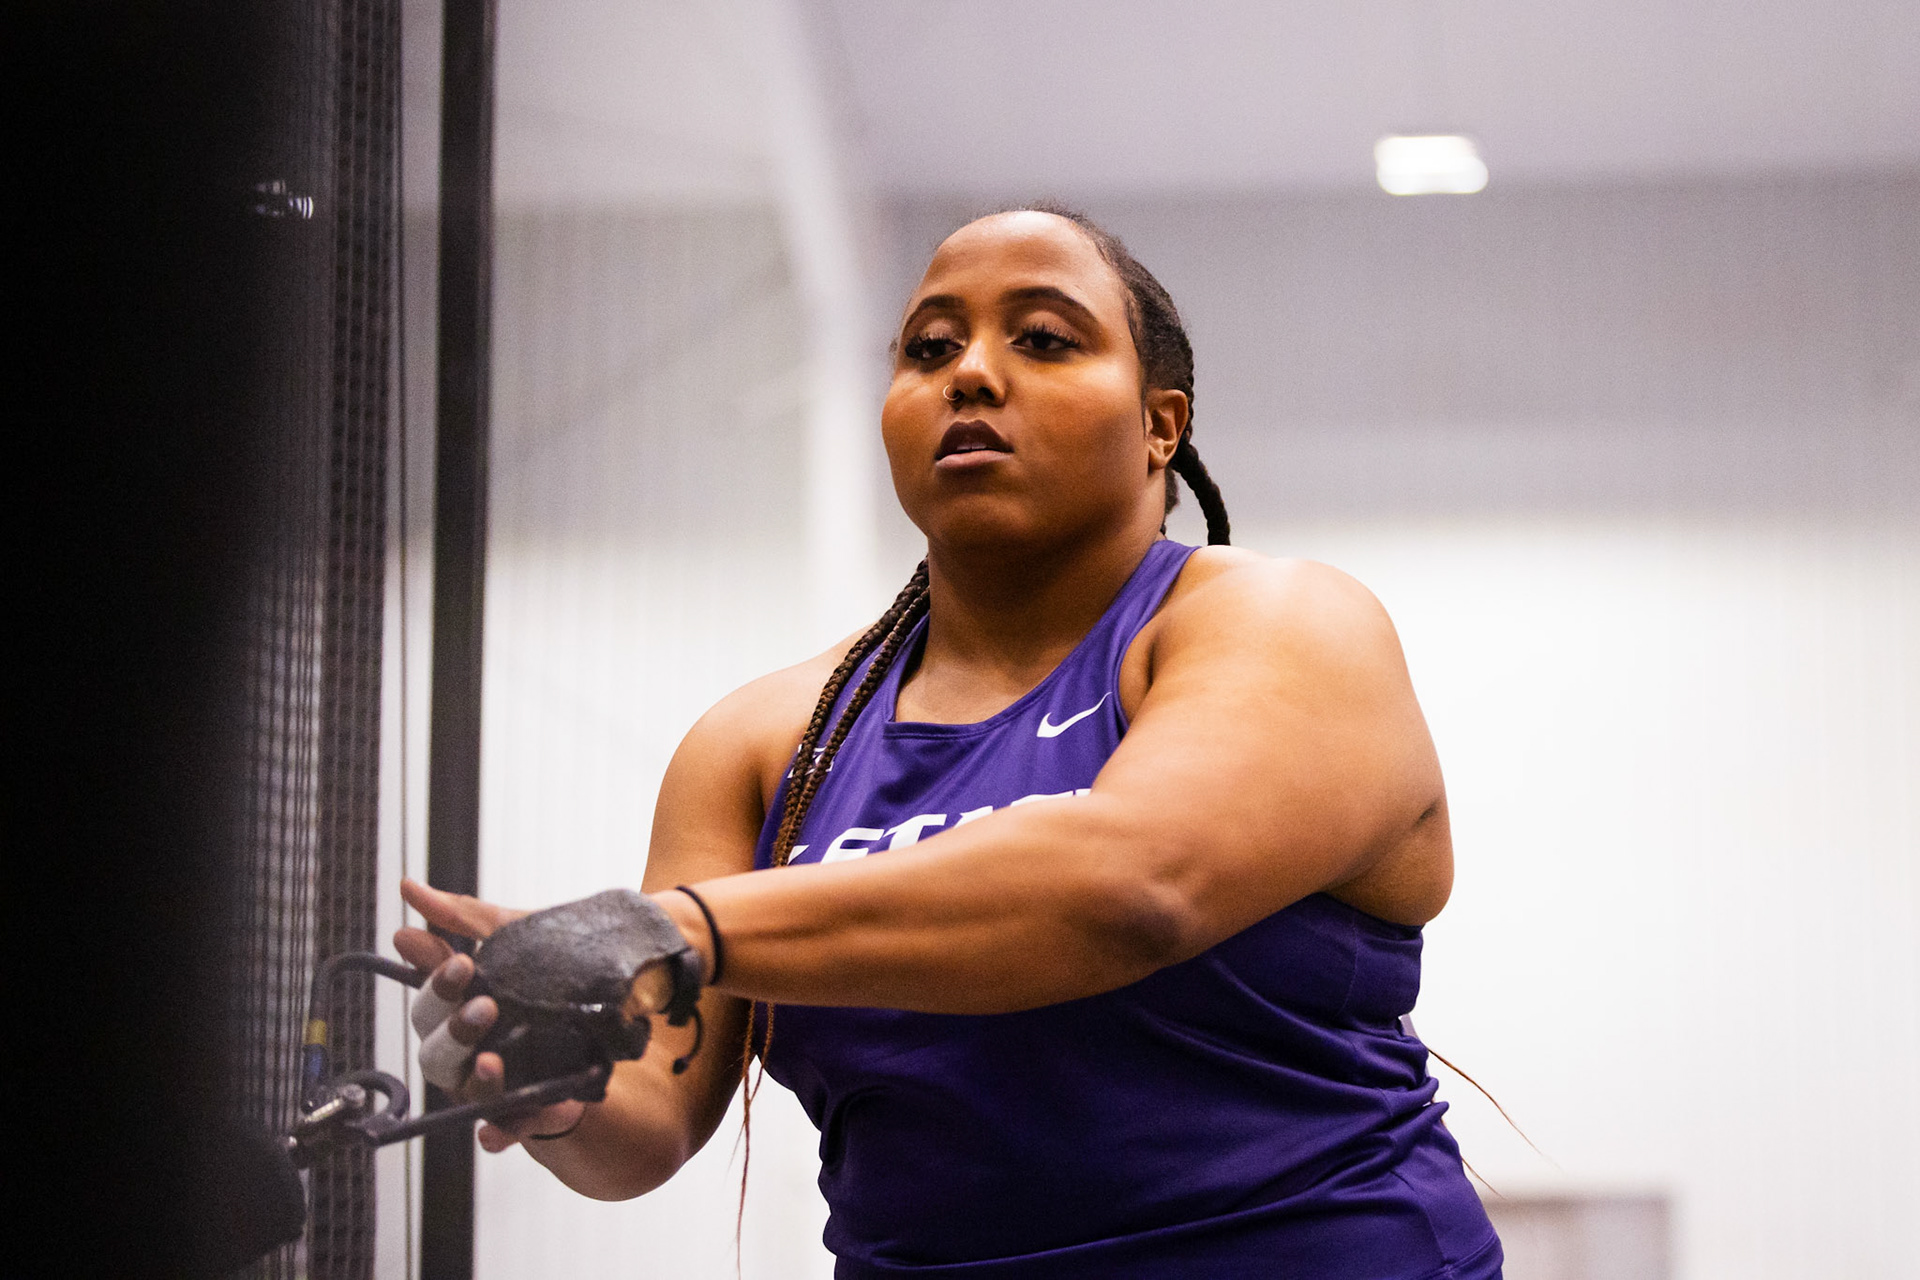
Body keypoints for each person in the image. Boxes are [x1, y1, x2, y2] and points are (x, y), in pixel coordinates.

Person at [397, 206, 1504, 1278]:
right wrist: (548, 1075)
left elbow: (1131, 884)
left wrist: (667, 929)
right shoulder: (764, 742)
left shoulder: (1283, 622)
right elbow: (652, 1112)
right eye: (930, 346)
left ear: (1162, 423)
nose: (970, 372)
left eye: (1044, 338)